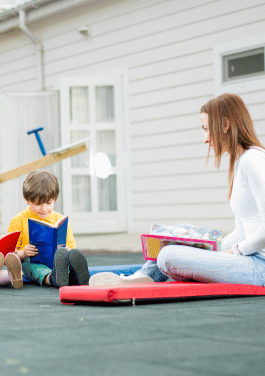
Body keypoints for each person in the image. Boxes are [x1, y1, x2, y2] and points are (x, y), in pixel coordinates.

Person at [91, 93, 265, 286]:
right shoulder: (241, 162)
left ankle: (143, 277)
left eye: (207, 129)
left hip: (259, 266)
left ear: (225, 125)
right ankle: (141, 277)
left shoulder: (253, 160)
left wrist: (235, 251)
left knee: (168, 255)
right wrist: (208, 246)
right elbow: (242, 230)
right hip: (250, 258)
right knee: (183, 232)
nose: (205, 139)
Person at [8, 170, 90, 287]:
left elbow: (71, 248)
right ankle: (52, 278)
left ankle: (74, 276)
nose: (43, 208)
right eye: (38, 204)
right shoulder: (19, 220)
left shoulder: (60, 220)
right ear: (27, 200)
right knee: (33, 268)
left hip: (56, 261)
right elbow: (10, 254)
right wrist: (23, 253)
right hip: (32, 261)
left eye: (48, 203)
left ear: (55, 199)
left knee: (65, 262)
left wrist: (67, 249)